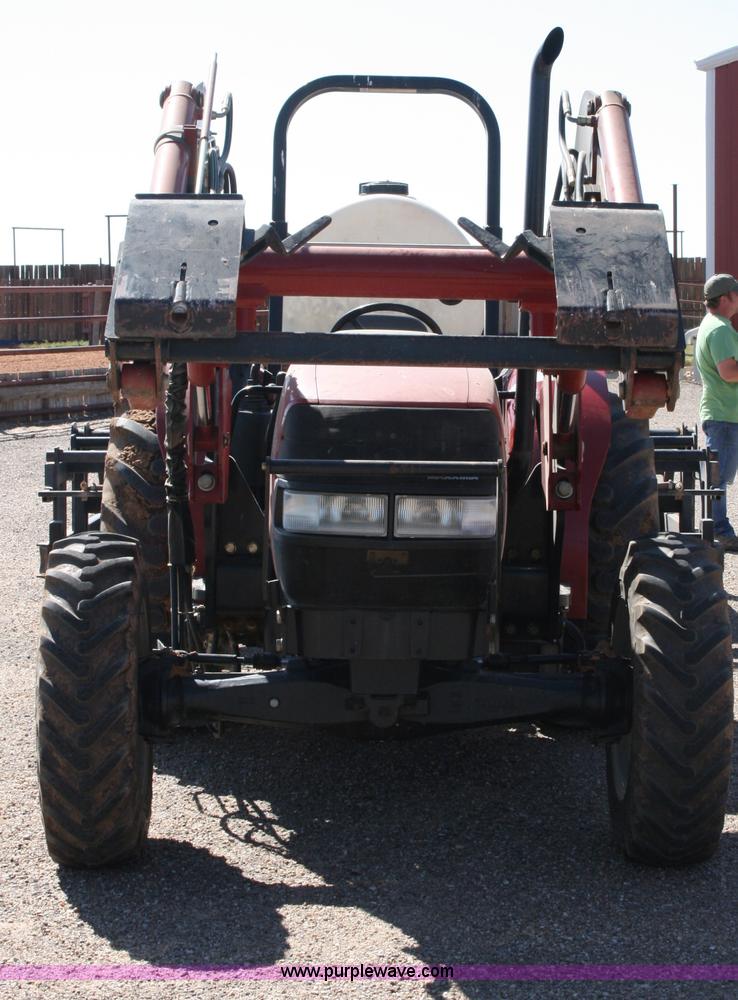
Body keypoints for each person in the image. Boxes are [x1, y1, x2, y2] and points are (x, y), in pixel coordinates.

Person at [695, 272, 738, 549]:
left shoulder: (710, 324)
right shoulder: (721, 329)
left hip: (720, 412)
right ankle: (719, 530)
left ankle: (715, 528)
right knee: (718, 477)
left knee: (717, 476)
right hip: (724, 414)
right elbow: (729, 372)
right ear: (726, 298)